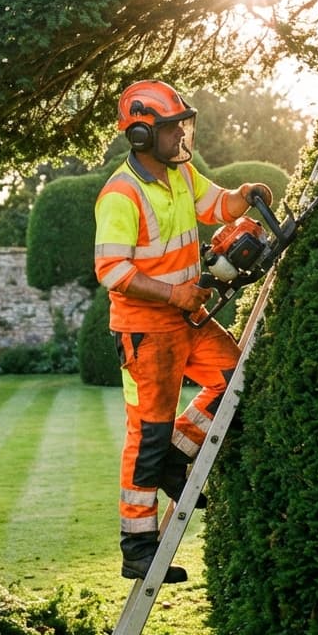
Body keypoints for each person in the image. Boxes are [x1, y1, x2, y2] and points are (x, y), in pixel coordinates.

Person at [94, 79, 273, 583]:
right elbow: (111, 270)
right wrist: (173, 294)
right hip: (146, 331)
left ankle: (180, 450)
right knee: (147, 433)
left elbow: (216, 205)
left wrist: (243, 196)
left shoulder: (179, 175)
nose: (181, 137)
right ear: (142, 136)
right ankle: (137, 547)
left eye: (181, 126)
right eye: (172, 129)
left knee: (234, 376)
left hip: (186, 320)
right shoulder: (120, 195)